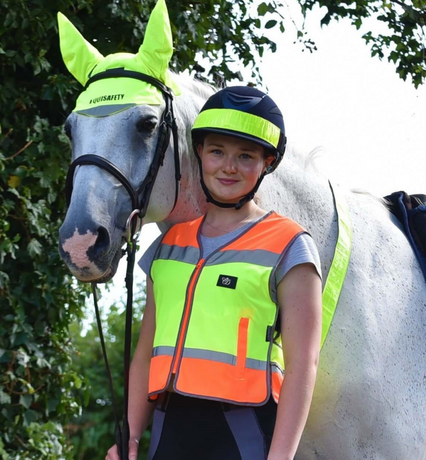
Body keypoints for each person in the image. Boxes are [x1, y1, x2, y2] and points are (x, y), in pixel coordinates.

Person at [106, 85, 322, 460]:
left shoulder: (290, 246)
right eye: (218, 151)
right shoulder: (170, 244)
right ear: (200, 153)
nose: (229, 166)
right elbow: (146, 352)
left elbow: (304, 365)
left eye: (246, 156)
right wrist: (131, 436)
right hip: (168, 430)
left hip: (242, 434)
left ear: (267, 163)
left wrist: (282, 457)